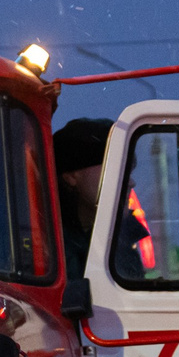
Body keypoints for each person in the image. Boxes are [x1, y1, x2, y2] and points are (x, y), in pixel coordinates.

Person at [52, 117, 113, 279]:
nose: (131, 182)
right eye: (112, 168)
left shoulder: (122, 240)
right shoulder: (42, 246)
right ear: (72, 176)